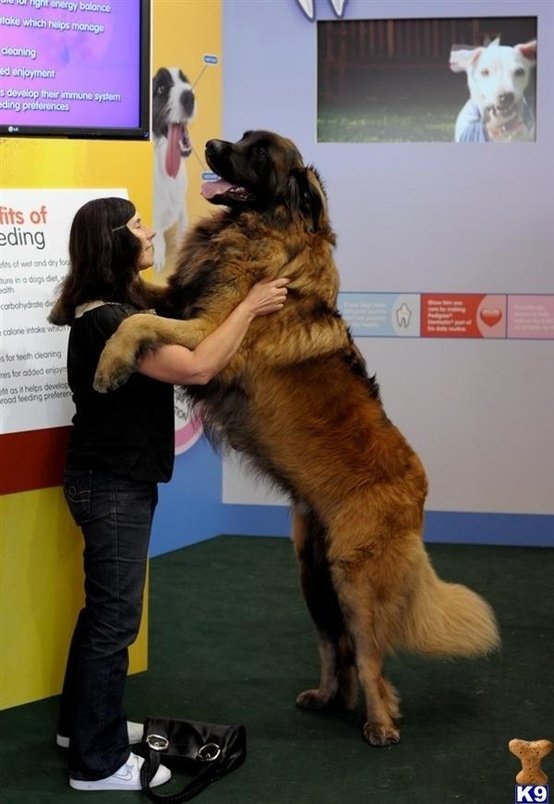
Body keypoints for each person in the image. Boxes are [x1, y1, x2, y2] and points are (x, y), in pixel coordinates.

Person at [49, 196, 289, 792]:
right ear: (113, 243)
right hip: (112, 486)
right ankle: (96, 764)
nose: (149, 230)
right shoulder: (109, 321)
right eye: (135, 225)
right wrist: (253, 306)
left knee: (102, 614)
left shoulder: (116, 309)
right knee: (115, 622)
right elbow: (199, 366)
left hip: (107, 480)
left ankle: (78, 728)